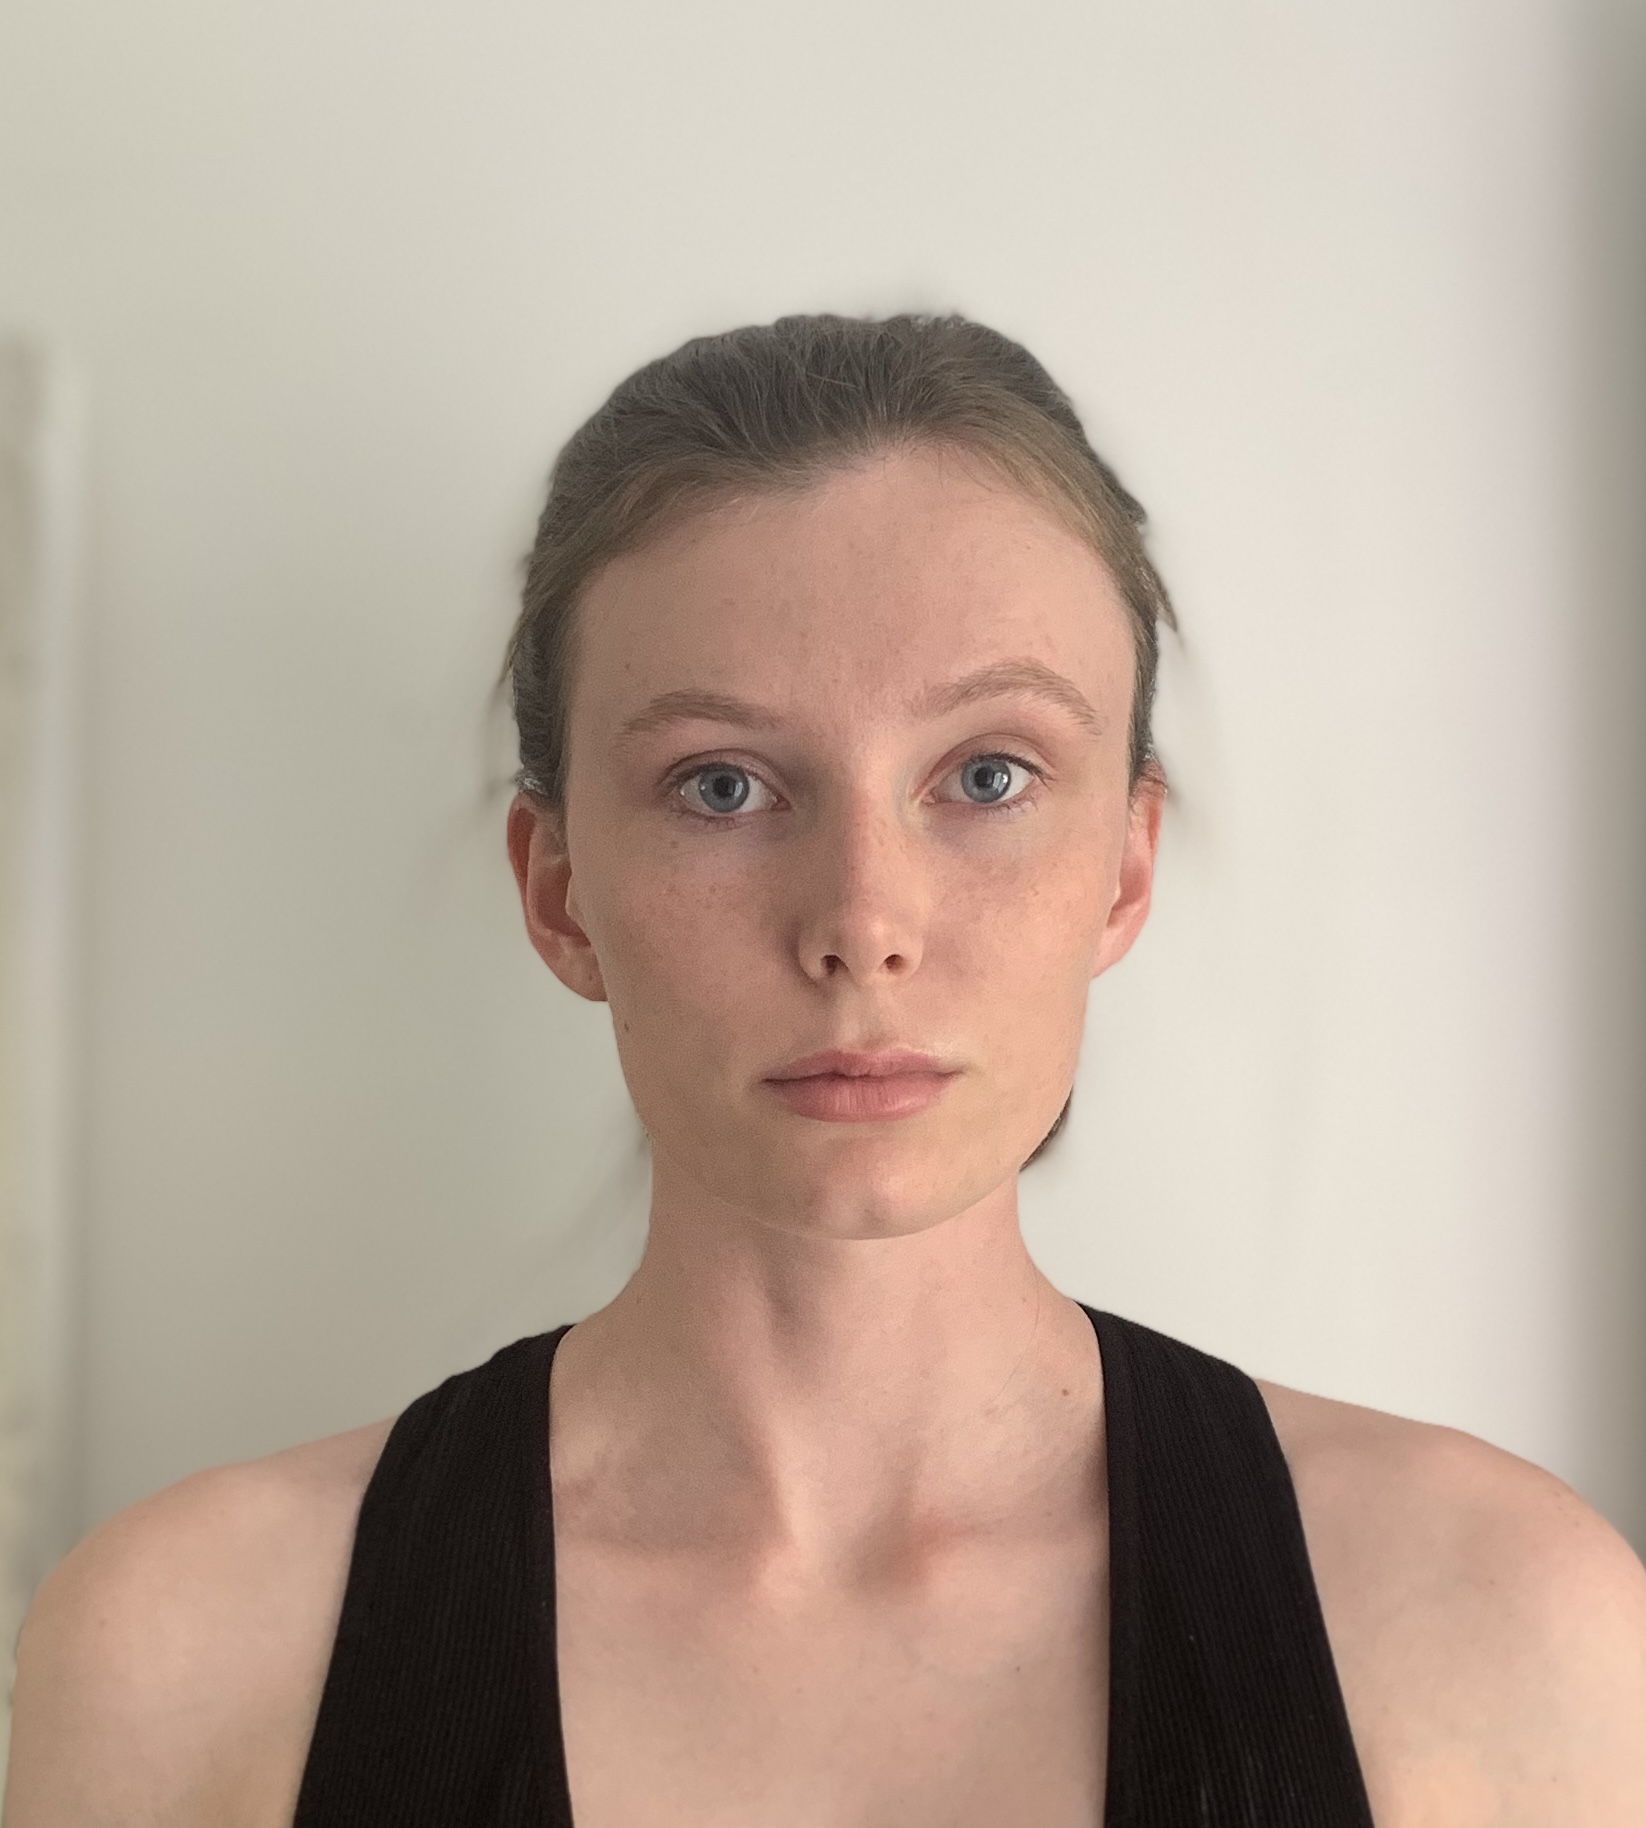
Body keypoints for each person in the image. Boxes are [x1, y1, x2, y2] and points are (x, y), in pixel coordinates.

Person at [7, 314, 1645, 1828]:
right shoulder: (192, 1651)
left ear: (1124, 868)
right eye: (721, 787)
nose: (861, 922)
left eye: (986, 775)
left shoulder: (1501, 1628)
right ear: (559, 892)